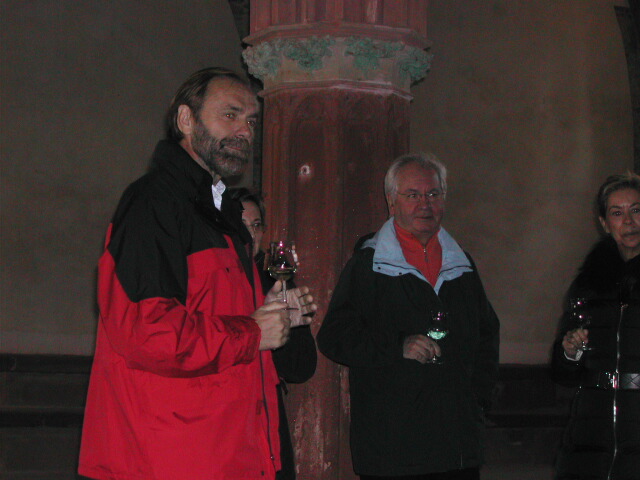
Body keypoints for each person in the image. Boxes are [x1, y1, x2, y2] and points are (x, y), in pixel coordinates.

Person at [78, 67, 317, 480]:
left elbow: (213, 312)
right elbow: (148, 332)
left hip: (224, 449)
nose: (244, 130)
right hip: (171, 453)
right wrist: (252, 332)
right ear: (186, 120)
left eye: (251, 121)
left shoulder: (220, 213)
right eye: (230, 114)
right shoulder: (154, 203)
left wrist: (271, 312)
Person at [316, 153, 500, 480]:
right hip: (393, 445)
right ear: (391, 202)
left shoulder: (462, 264)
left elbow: (487, 334)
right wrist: (397, 346)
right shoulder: (369, 265)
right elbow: (335, 336)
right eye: (412, 195)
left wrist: (477, 401)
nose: (424, 204)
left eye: (433, 194)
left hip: (456, 444)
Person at [552, 172, 640, 480]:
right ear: (604, 223)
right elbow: (562, 372)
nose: (628, 221)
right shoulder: (588, 284)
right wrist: (570, 351)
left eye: (636, 210)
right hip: (592, 426)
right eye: (617, 213)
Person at [229, 187, 317, 480]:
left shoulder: (275, 279)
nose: (250, 235)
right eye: (241, 225)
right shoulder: (214, 280)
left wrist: (286, 330)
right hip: (227, 419)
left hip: (266, 414)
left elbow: (302, 367)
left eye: (256, 226)